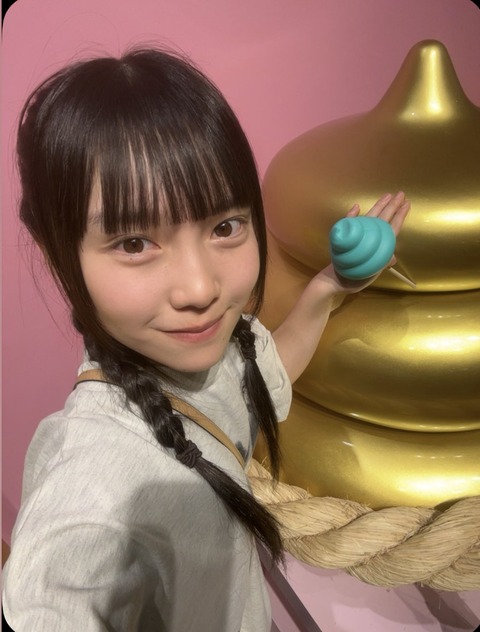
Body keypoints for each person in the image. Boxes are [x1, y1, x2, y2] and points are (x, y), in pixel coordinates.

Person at [2, 48, 410, 631]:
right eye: (134, 243)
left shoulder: (219, 349)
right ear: (55, 252)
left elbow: (263, 374)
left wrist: (328, 288)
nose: (200, 289)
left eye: (225, 226)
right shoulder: (89, 495)